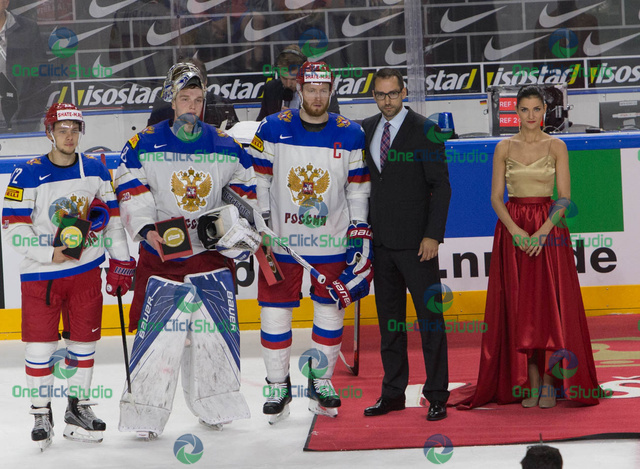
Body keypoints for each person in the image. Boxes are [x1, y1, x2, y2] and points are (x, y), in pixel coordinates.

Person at [115, 62, 260, 438]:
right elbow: (131, 186)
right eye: (184, 98)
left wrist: (235, 227)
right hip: (164, 257)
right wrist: (147, 228)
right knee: (159, 339)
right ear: (171, 99)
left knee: (215, 336)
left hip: (211, 257)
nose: (192, 106)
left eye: (198, 99)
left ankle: (216, 404)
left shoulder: (226, 144)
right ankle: (144, 414)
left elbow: (244, 190)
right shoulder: (143, 142)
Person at [452, 85, 601, 409]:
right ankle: (530, 382)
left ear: (544, 112)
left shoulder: (557, 145)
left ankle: (549, 384)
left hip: (550, 231)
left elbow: (564, 197)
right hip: (513, 230)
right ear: (515, 112)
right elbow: (495, 197)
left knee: (549, 308)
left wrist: (544, 231)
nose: (531, 116)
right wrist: (517, 231)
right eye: (525, 110)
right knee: (522, 309)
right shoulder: (503, 147)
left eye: (537, 109)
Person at [2, 103, 135, 450]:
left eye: (75, 130)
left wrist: (121, 261)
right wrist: (51, 254)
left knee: (84, 344)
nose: (69, 136)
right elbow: (12, 228)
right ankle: (41, 412)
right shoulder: (26, 173)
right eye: (62, 130)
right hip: (41, 276)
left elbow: (114, 218)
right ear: (49, 133)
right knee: (41, 345)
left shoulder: (94, 169)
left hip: (85, 271)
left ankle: (77, 409)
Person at [248, 61, 371, 423]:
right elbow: (259, 182)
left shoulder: (351, 133)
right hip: (280, 242)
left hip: (331, 242)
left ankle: (322, 381)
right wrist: (263, 224)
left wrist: (359, 232)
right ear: (299, 89)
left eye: (323, 90)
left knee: (330, 311)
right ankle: (276, 384)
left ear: (331, 91)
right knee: (274, 312)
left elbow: (358, 190)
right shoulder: (271, 127)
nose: (317, 96)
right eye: (311, 89)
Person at [361, 68, 451, 421]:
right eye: (381, 95)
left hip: (418, 245)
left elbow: (441, 187)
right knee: (390, 325)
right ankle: (393, 394)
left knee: (430, 322)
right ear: (374, 96)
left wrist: (433, 235)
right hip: (380, 244)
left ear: (404, 92)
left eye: (393, 94)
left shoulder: (426, 130)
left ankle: (437, 394)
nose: (387, 101)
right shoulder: (365, 129)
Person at [147, 56, 239, 130]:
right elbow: (151, 136)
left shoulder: (223, 105)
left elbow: (234, 138)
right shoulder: (162, 107)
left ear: (205, 82)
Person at [0, 0, 51, 132]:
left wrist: (29, 118)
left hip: (22, 123)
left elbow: (42, 78)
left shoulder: (27, 29)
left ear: (6, 2)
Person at [257, 45, 339, 121]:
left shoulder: (320, 89)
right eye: (284, 78)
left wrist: (299, 118)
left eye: (293, 79)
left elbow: (333, 122)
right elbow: (261, 121)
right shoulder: (271, 88)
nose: (288, 84)